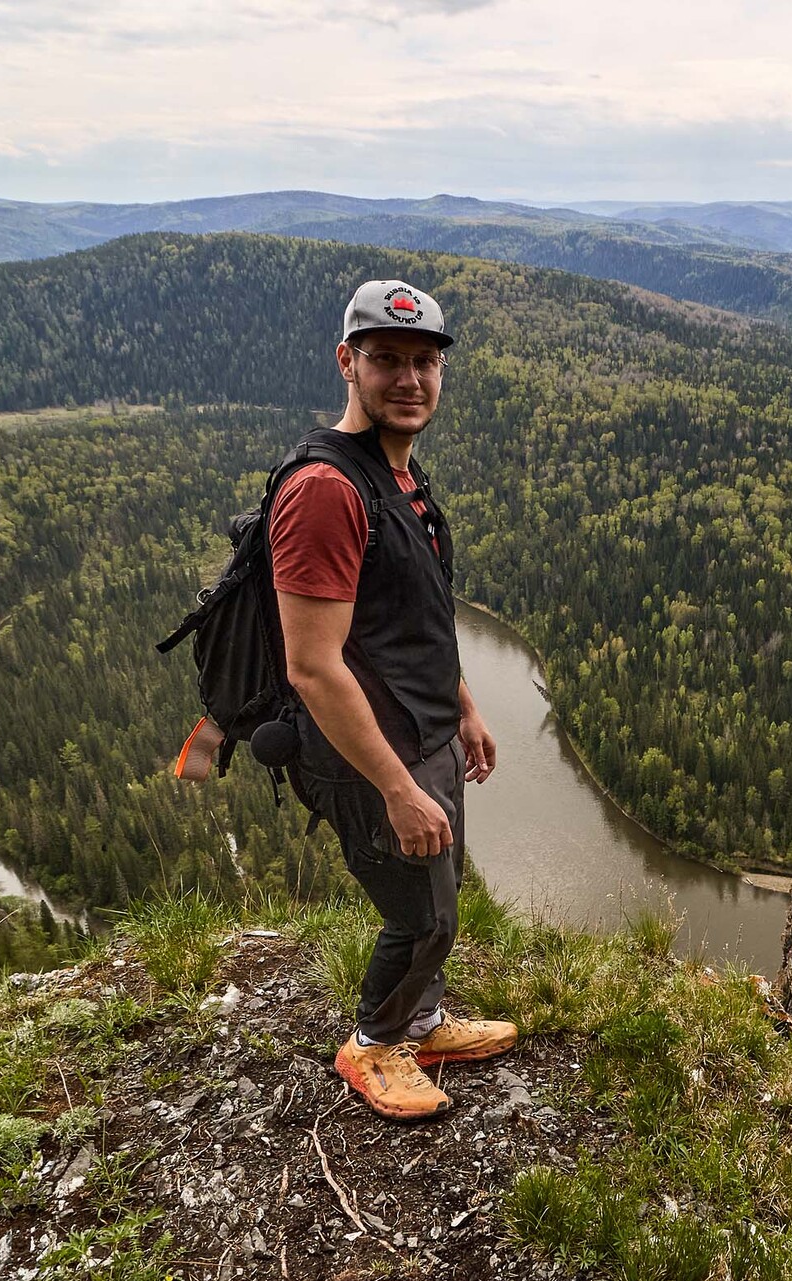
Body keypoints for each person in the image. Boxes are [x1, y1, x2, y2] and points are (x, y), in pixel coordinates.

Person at [271, 278, 516, 1121]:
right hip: (369, 753)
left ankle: (424, 1022)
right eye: (386, 361)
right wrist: (397, 786)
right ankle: (373, 1046)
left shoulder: (400, 481)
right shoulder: (326, 491)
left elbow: (415, 623)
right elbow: (313, 667)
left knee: (441, 897)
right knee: (422, 916)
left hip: (426, 733)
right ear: (348, 363)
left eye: (425, 362)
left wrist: (467, 710)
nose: (409, 380)